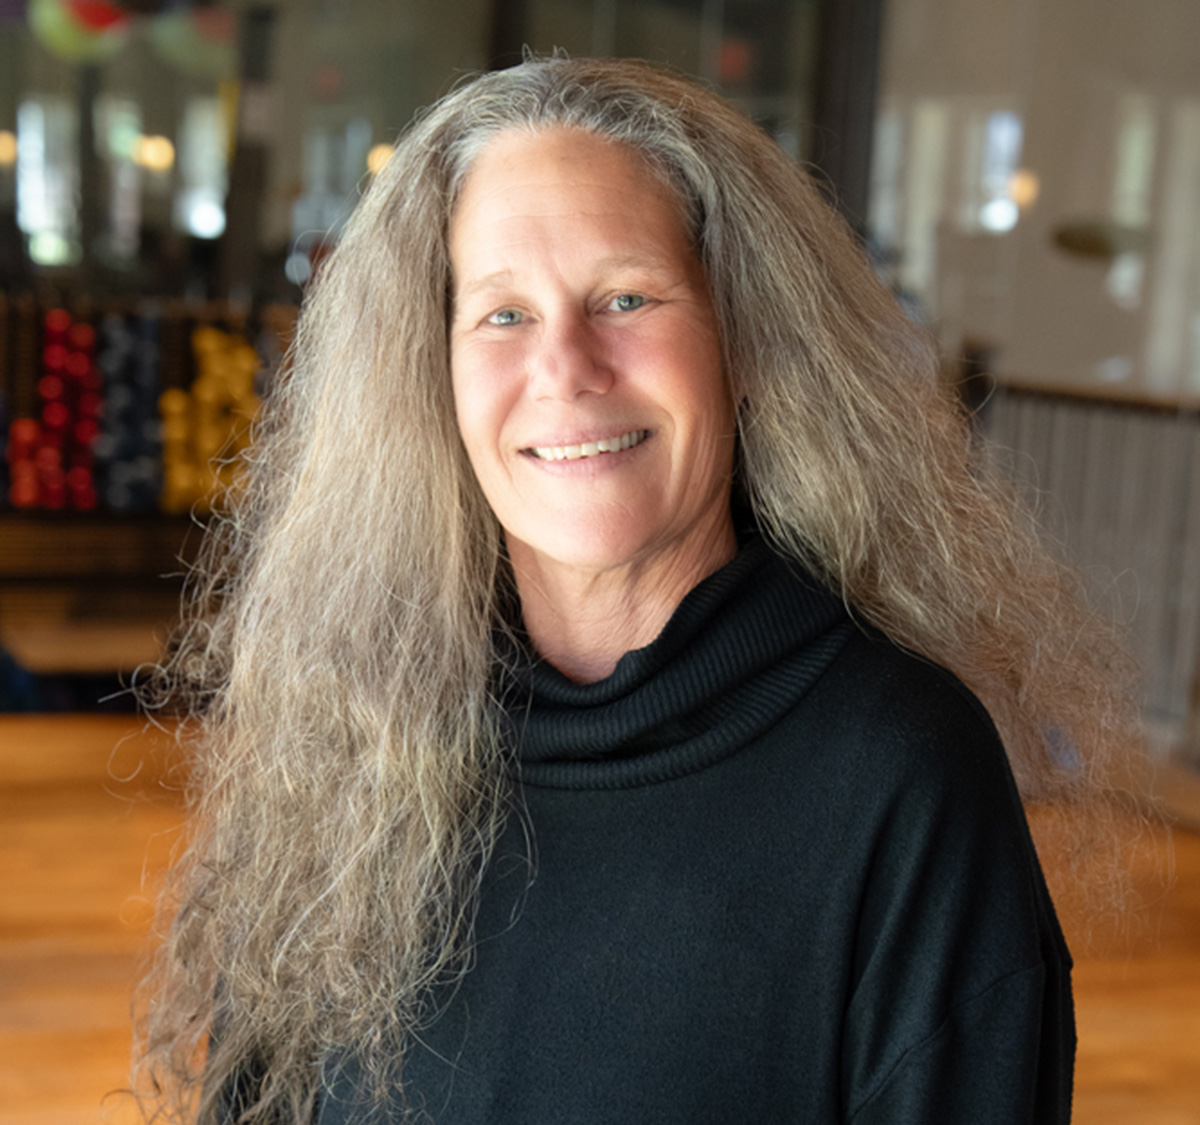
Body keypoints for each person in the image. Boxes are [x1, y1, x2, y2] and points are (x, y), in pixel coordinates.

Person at [136, 56, 1138, 1124]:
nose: (565, 367)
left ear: (742, 338)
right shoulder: (363, 725)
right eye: (503, 315)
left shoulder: (899, 772)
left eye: (625, 297)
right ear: (428, 375)